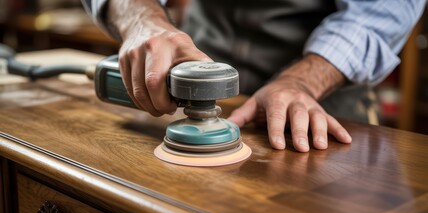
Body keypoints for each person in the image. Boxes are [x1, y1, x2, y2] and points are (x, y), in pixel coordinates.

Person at [82, 0, 425, 152]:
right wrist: (140, 18)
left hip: (325, 95)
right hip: (200, 49)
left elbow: (383, 9)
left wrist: (301, 82)